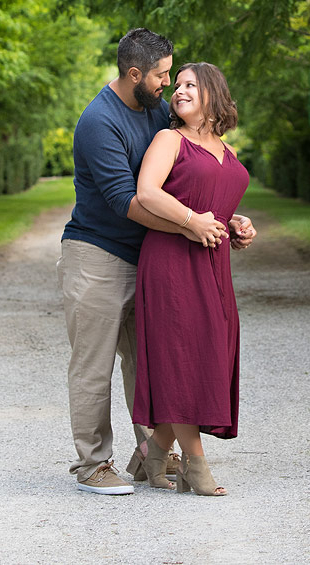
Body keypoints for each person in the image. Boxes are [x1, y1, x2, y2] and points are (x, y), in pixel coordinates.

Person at [59, 30, 256, 495]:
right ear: (134, 74)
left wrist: (223, 222)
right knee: (94, 361)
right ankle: (93, 465)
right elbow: (126, 200)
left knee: (149, 360)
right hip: (98, 252)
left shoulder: (154, 113)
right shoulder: (98, 122)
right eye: (162, 75)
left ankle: (150, 450)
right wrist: (194, 225)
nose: (169, 83)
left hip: (149, 253)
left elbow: (186, 184)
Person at [131, 62, 250, 496]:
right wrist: (191, 220)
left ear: (213, 95)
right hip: (171, 261)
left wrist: (236, 225)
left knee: (209, 352)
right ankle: (196, 468)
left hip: (214, 263)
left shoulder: (225, 148)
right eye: (176, 85)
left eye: (189, 85)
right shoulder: (169, 139)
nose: (178, 91)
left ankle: (152, 453)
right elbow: (148, 192)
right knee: (183, 356)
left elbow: (211, 201)